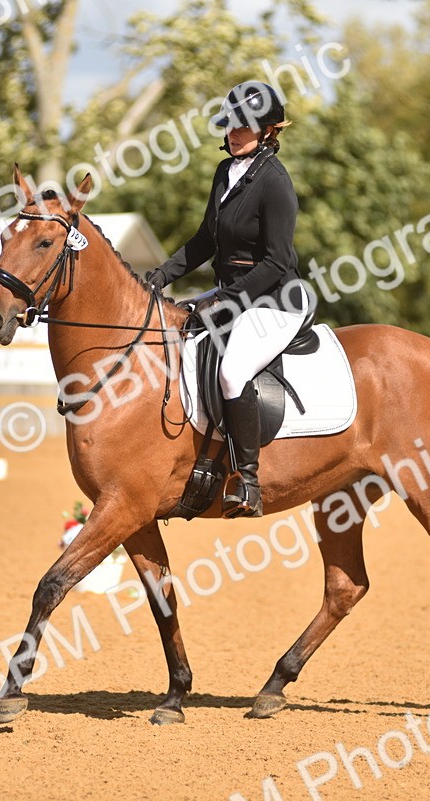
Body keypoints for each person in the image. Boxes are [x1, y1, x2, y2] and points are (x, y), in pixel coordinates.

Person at [145, 82, 308, 519]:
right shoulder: (225, 172)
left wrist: (225, 302)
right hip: (233, 293)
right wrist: (160, 275)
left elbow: (275, 263)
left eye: (245, 126)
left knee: (233, 372)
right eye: (230, 125)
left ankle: (247, 480)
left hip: (275, 299)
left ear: (269, 130)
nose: (235, 133)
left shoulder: (275, 183)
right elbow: (205, 241)